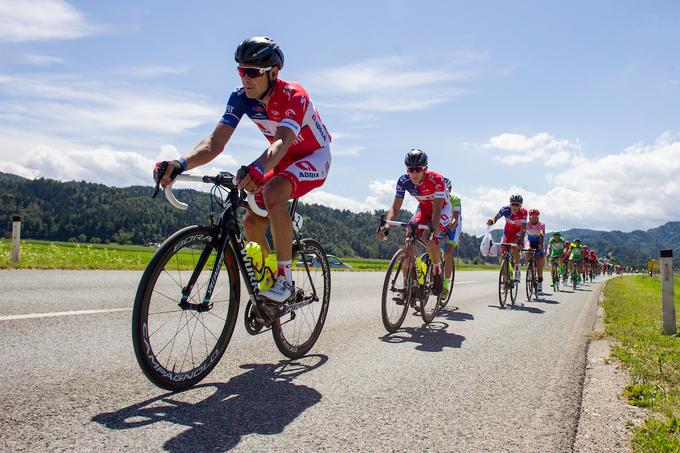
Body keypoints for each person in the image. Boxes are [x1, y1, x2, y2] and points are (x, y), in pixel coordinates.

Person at [154, 36, 332, 303]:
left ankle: (285, 280)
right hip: (280, 161)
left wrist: (258, 167)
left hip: (314, 156)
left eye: (251, 72)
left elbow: (283, 141)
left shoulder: (294, 95)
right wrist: (180, 163)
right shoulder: (241, 98)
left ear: (273, 73)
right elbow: (215, 143)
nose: (244, 78)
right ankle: (271, 278)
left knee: (272, 193)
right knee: (250, 221)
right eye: (240, 71)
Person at [376, 149, 450, 296]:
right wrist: (387, 226)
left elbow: (436, 210)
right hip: (423, 208)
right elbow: (395, 207)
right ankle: (408, 286)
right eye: (411, 169)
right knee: (408, 240)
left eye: (418, 169)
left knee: (430, 238)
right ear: (406, 169)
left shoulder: (437, 180)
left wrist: (431, 229)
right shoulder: (403, 181)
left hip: (441, 210)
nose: (414, 174)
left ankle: (436, 272)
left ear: (425, 169)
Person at [487, 195, 527, 282]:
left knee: (515, 248)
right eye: (513, 204)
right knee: (502, 255)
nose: (515, 207)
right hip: (507, 233)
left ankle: (517, 270)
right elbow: (496, 217)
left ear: (520, 206)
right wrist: (492, 220)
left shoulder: (523, 212)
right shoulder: (505, 210)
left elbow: (523, 229)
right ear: (510, 204)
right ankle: (505, 279)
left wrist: (519, 241)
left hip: (518, 233)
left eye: (517, 205)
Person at [439, 178, 462, 300]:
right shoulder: (436, 197)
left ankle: (446, 286)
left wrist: (449, 230)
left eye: (447, 190)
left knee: (448, 253)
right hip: (441, 223)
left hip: (454, 226)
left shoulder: (455, 199)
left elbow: (455, 219)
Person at [525, 209, 545, 292]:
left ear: (538, 217)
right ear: (530, 217)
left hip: (538, 242)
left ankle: (539, 280)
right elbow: (524, 236)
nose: (534, 218)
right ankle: (529, 268)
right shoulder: (526, 224)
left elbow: (542, 235)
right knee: (527, 251)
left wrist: (540, 245)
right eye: (532, 217)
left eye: (536, 217)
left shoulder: (541, 224)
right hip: (529, 242)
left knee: (539, 259)